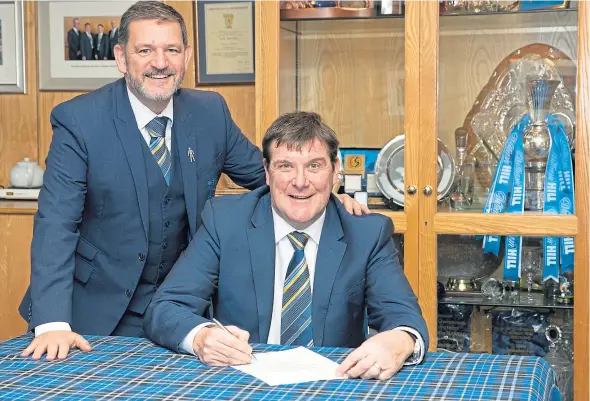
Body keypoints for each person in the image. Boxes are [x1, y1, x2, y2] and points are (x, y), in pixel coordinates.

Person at [20, 1, 365, 362]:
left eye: (171, 49)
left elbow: (270, 176)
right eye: (145, 50)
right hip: (88, 317)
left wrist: (328, 197)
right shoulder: (79, 121)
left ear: (186, 56)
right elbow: (56, 225)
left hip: (178, 315)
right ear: (121, 58)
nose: (160, 62)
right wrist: (52, 324)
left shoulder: (210, 112)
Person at [145, 111, 428, 380]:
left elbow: (405, 318)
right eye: (285, 166)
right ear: (266, 173)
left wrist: (399, 340)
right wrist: (201, 336)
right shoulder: (226, 222)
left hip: (336, 385)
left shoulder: (366, 233)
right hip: (240, 383)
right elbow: (166, 307)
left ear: (335, 171)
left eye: (314, 166)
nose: (300, 182)